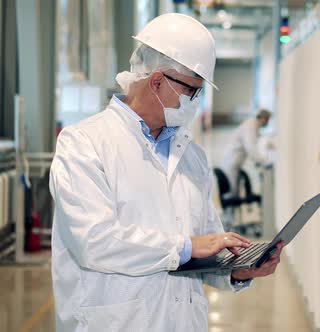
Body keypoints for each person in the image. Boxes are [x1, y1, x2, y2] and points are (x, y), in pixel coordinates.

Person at [49, 13, 283, 332]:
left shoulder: (192, 156)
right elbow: (94, 241)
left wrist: (236, 271)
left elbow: (204, 248)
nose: (195, 103)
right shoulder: (84, 144)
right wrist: (185, 246)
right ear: (157, 80)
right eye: (192, 92)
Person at [220, 109, 273, 195]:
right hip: (231, 162)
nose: (268, 122)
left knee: (234, 192)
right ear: (264, 118)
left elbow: (257, 140)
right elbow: (251, 148)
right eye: (268, 119)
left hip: (234, 162)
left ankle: (231, 207)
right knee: (231, 194)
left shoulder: (253, 125)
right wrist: (263, 161)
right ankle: (229, 208)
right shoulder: (251, 126)